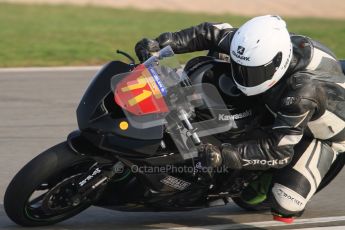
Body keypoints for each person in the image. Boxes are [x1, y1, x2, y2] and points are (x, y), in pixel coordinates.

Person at [134, 15, 345, 222]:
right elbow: (209, 33)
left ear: (277, 63)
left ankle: (264, 180)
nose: (243, 76)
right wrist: (161, 44)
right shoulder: (259, 47)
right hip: (277, 101)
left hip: (320, 133)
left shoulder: (301, 94)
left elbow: (279, 151)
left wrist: (223, 155)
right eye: (240, 68)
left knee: (286, 202)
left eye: (252, 72)